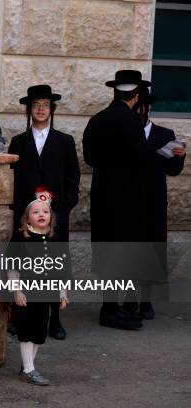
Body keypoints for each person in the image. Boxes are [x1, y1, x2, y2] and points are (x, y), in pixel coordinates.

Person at [8, 85, 80, 340]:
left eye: (45, 105)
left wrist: (60, 205)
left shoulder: (64, 141)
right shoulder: (19, 141)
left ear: (52, 110)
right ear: (29, 109)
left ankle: (55, 319)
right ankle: (20, 315)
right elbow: (12, 180)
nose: (40, 109)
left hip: (55, 215)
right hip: (26, 217)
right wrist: (20, 211)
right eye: (36, 105)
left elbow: (73, 178)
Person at [82, 70, 152, 330]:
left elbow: (89, 157)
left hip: (103, 194)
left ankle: (110, 306)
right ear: (135, 96)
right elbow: (140, 157)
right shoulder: (131, 121)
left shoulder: (97, 119)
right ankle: (112, 310)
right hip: (127, 198)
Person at [123, 88, 186, 319]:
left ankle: (146, 300)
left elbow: (173, 170)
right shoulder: (126, 132)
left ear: (148, 107)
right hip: (129, 201)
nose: (139, 110)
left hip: (153, 202)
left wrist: (179, 156)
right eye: (136, 105)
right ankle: (129, 300)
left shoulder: (164, 133)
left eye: (143, 106)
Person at [7, 189, 70, 386]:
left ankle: (28, 365)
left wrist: (62, 293)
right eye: (35, 212)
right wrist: (16, 290)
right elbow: (12, 267)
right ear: (27, 219)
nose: (41, 215)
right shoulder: (21, 239)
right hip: (26, 292)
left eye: (45, 212)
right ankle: (29, 369)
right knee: (26, 328)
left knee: (39, 329)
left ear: (51, 218)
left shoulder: (56, 240)